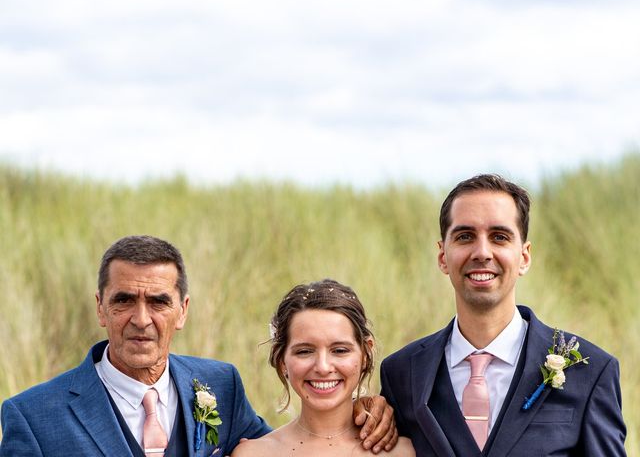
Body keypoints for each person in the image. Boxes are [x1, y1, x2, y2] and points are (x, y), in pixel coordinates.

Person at [0, 235, 396, 456]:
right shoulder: (33, 417)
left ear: (182, 311)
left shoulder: (220, 385)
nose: (141, 319)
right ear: (100, 308)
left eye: (158, 302)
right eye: (123, 301)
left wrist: (362, 407)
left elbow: (297, 442)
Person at [380, 174, 627, 456]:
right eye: (465, 237)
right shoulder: (401, 373)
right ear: (442, 256)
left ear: (524, 256)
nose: (482, 252)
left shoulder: (591, 372)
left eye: (499, 237)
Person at [231, 279, 415, 457]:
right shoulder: (252, 453)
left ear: (365, 354)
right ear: (282, 361)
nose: (323, 367)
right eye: (304, 351)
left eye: (340, 350)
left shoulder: (403, 451)